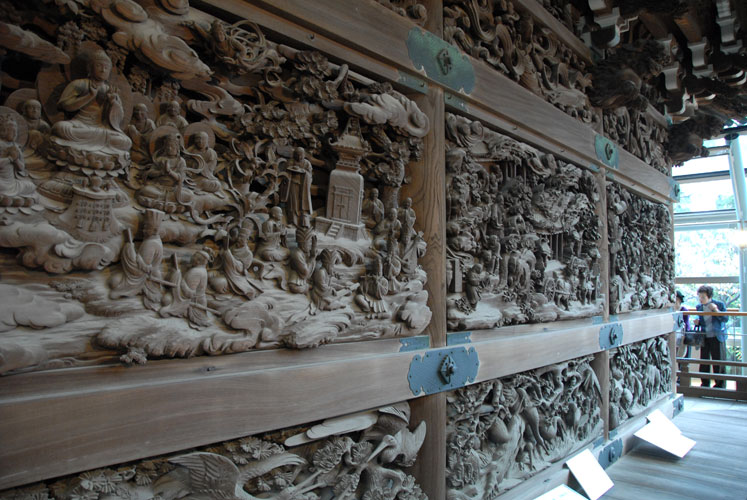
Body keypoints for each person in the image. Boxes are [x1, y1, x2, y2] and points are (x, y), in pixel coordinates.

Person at [693, 285, 728, 388]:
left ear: (709, 296)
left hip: (717, 336)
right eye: (699, 297)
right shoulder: (699, 307)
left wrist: (715, 310)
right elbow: (701, 320)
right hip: (705, 336)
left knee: (718, 361)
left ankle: (720, 385)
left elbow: (725, 318)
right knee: (704, 361)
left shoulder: (719, 304)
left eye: (703, 297)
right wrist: (697, 322)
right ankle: (705, 383)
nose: (701, 299)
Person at [674, 290, 691, 359]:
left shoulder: (684, 310)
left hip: (682, 335)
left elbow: (686, 324)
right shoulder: (670, 310)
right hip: (674, 334)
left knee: (682, 355)